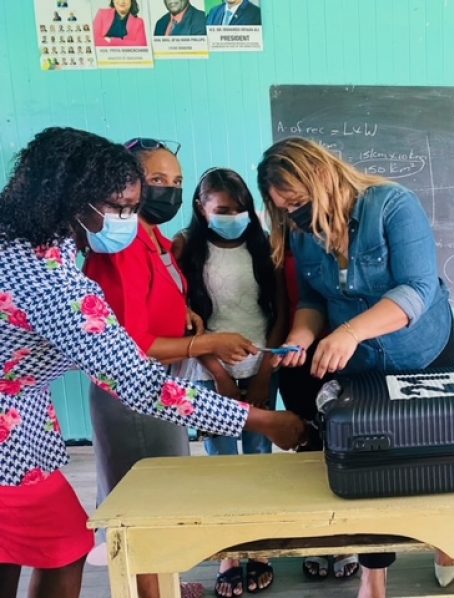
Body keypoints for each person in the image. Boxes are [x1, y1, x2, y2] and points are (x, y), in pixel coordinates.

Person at [0, 127, 305, 598]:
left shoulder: (25, 237)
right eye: (120, 208)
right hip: (8, 442)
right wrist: (261, 419)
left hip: (22, 422)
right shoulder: (52, 283)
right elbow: (143, 384)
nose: (129, 218)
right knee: (59, 546)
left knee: (34, 547)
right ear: (71, 200)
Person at [258, 137, 454, 598]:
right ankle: (374, 572)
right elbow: (313, 299)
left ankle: (448, 536)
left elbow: (418, 289)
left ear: (322, 177)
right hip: (359, 363)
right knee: (371, 460)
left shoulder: (392, 205)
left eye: (300, 203)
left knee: (432, 455)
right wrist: (301, 338)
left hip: (419, 349)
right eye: (284, 209)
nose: (296, 216)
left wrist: (349, 332)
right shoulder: (304, 233)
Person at [82, 138, 265, 598]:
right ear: (128, 184)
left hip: (164, 384)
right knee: (147, 496)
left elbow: (165, 297)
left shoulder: (154, 238)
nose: (168, 190)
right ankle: (153, 589)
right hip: (136, 389)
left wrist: (189, 316)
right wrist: (205, 343)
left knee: (164, 486)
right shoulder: (121, 246)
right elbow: (132, 343)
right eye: (157, 180)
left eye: (177, 181)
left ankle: (164, 583)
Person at [173, 167, 286, 597]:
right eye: (222, 209)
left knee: (258, 456)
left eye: (240, 209)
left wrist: (262, 373)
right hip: (208, 370)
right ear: (201, 209)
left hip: (260, 367)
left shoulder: (264, 246)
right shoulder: (186, 251)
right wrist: (218, 373)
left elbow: (279, 313)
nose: (232, 216)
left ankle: (258, 546)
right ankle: (229, 550)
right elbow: (186, 324)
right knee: (223, 460)